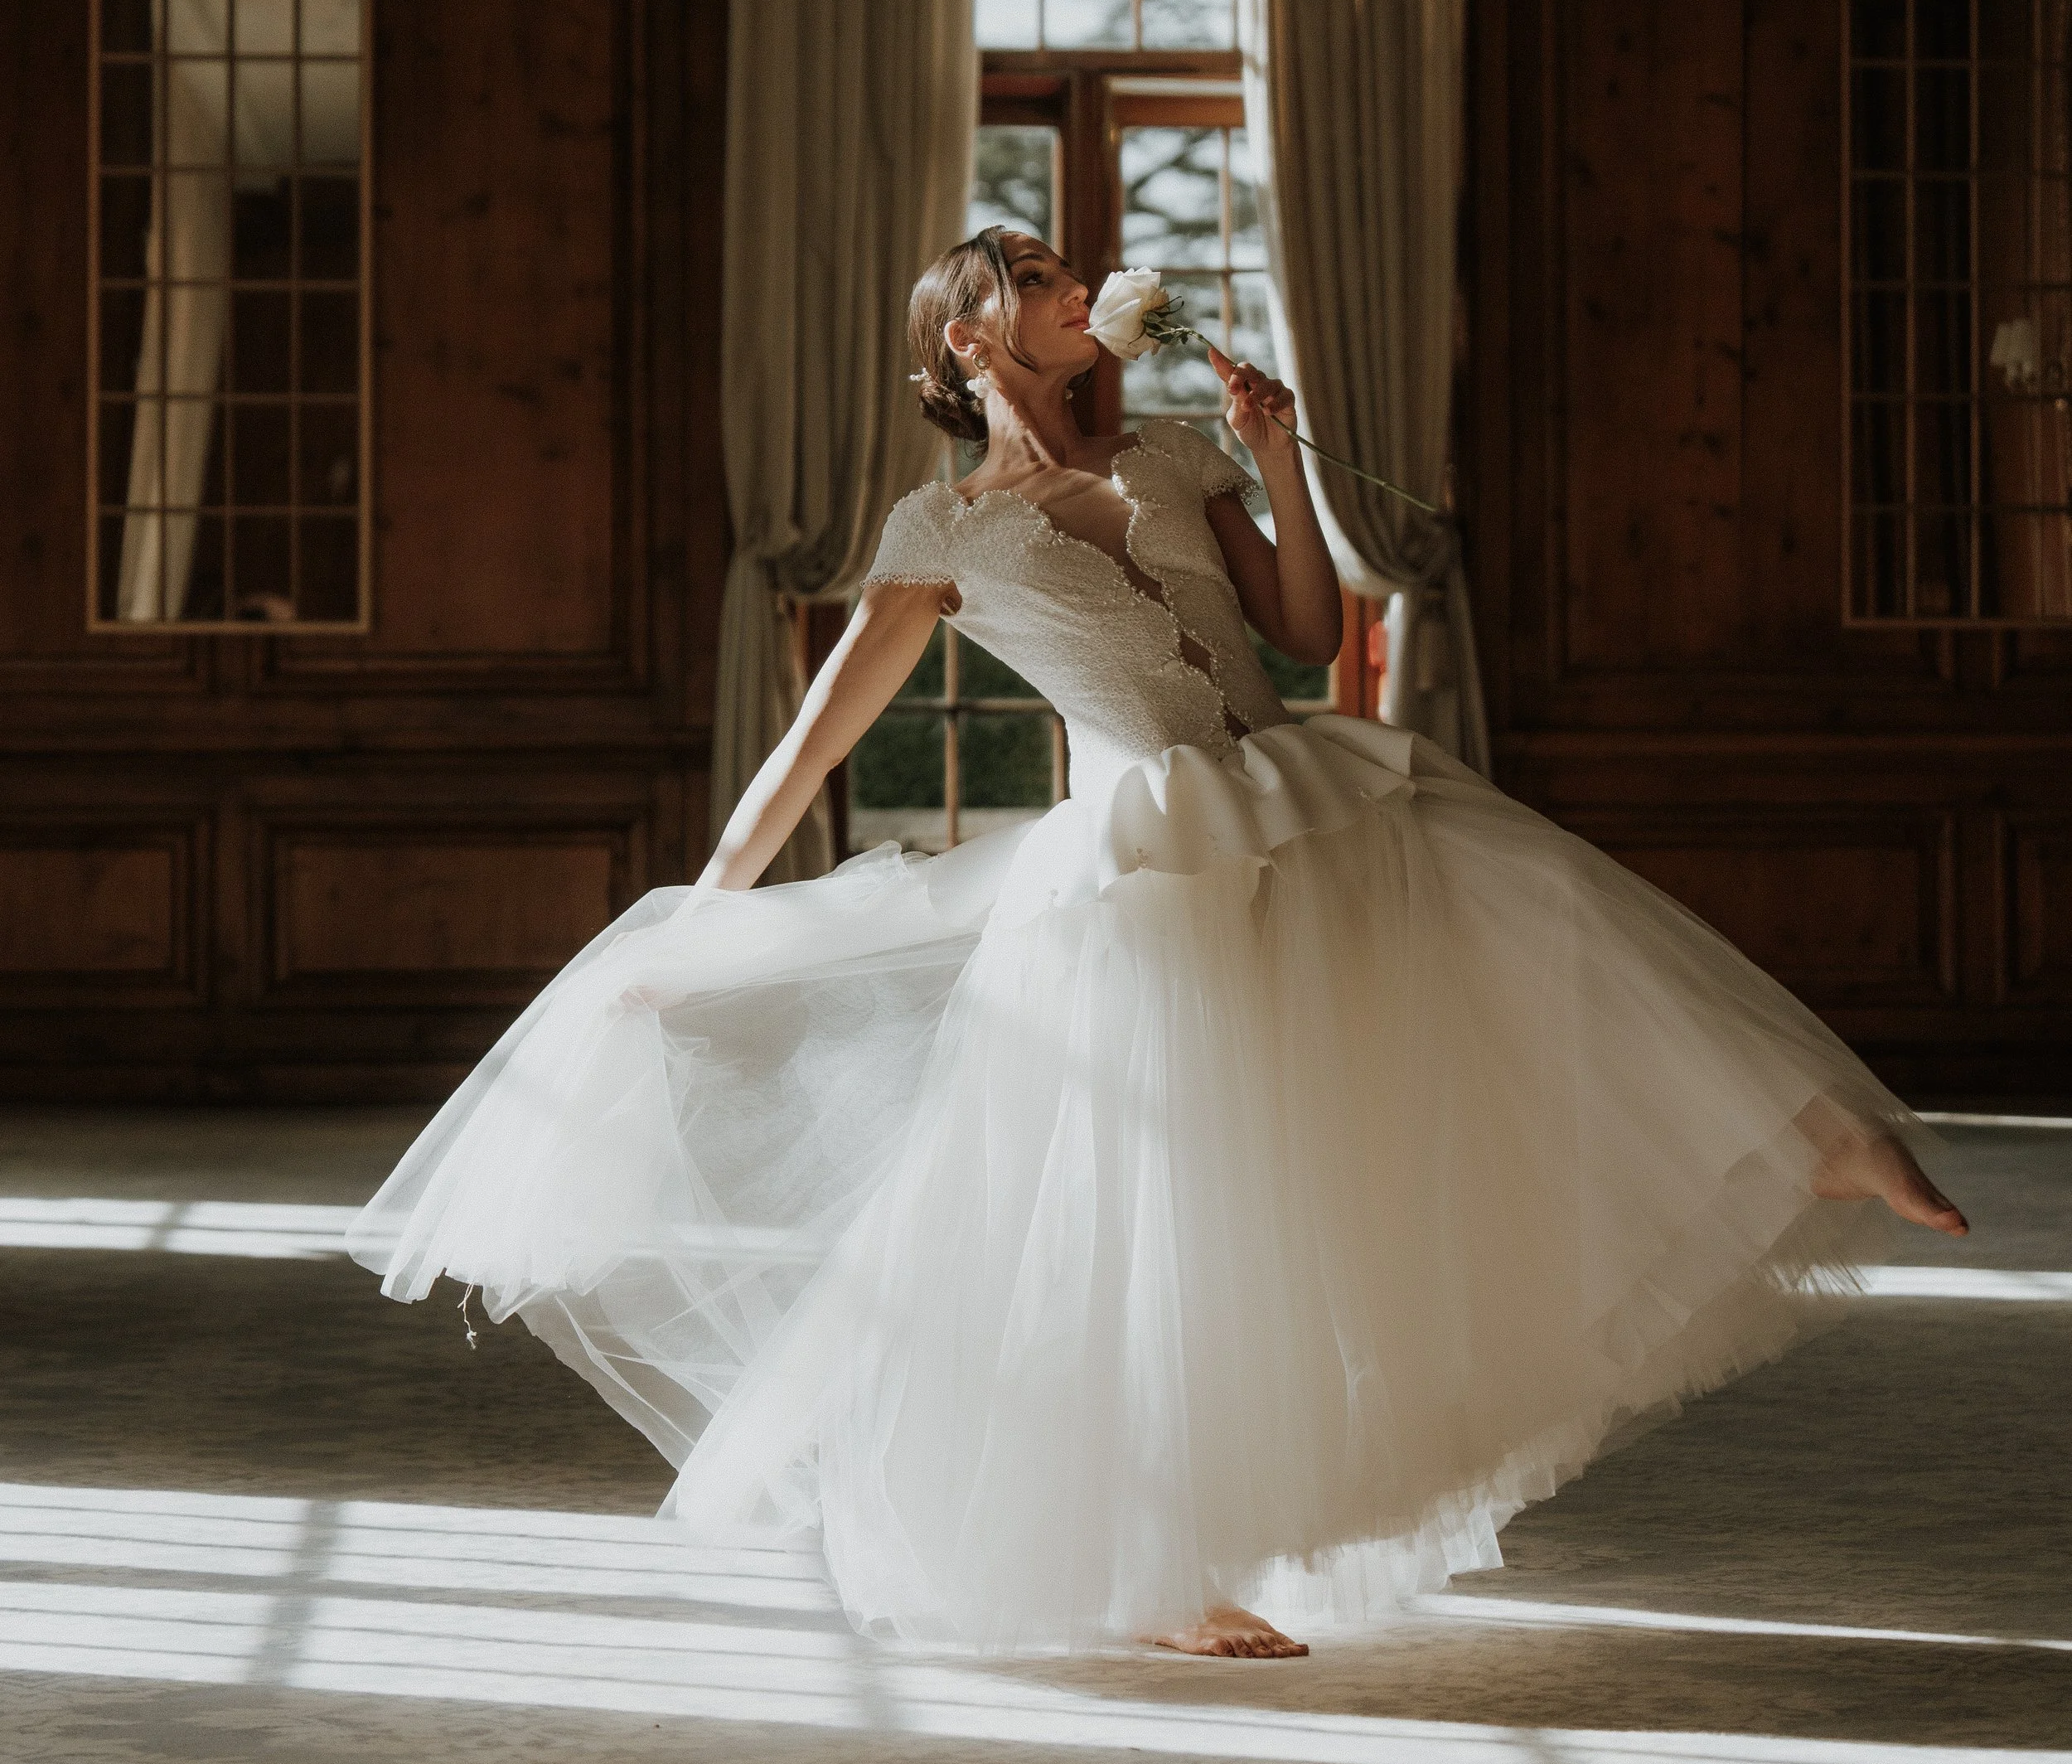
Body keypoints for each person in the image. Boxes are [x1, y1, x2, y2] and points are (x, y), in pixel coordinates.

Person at [350, 227, 1964, 1660]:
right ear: (969, 343)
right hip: (1147, 878)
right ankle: (1155, 1562)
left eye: (1068, 272)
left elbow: (1308, 635)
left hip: (1302, 802)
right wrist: (707, 908)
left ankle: (1794, 1141)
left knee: (1522, 930)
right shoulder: (944, 534)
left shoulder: (1177, 455)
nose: (1075, 286)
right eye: (1036, 281)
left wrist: (1273, 461)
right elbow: (811, 746)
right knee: (1174, 1218)